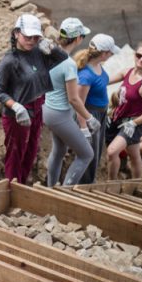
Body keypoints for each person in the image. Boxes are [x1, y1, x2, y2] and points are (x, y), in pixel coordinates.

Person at [0, 14, 67, 185]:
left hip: (37, 107)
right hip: (18, 112)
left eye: (35, 37)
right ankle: (11, 188)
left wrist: (51, 47)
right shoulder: (9, 61)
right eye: (28, 36)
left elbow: (62, 58)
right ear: (16, 33)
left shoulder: (38, 52)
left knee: (31, 150)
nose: (32, 40)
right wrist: (16, 107)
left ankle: (22, 185)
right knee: (16, 152)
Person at [44, 18, 99, 187]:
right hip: (61, 114)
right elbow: (74, 99)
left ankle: (51, 187)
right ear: (77, 39)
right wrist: (89, 118)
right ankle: (66, 190)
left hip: (48, 110)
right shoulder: (68, 64)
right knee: (86, 154)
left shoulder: (50, 54)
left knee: (59, 151)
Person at [104, 43, 142, 180]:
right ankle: (136, 182)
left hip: (134, 123)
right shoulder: (126, 72)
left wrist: (133, 123)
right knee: (134, 154)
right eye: (139, 55)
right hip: (119, 118)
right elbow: (105, 81)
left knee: (112, 152)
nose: (141, 59)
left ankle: (112, 184)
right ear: (134, 55)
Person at [74, 34, 120, 184]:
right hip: (90, 115)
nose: (112, 55)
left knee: (97, 152)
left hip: (100, 114)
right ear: (104, 53)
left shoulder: (98, 66)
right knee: (89, 153)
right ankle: (83, 186)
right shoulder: (86, 76)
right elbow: (79, 103)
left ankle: (89, 181)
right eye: (110, 52)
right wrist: (83, 127)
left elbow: (102, 81)